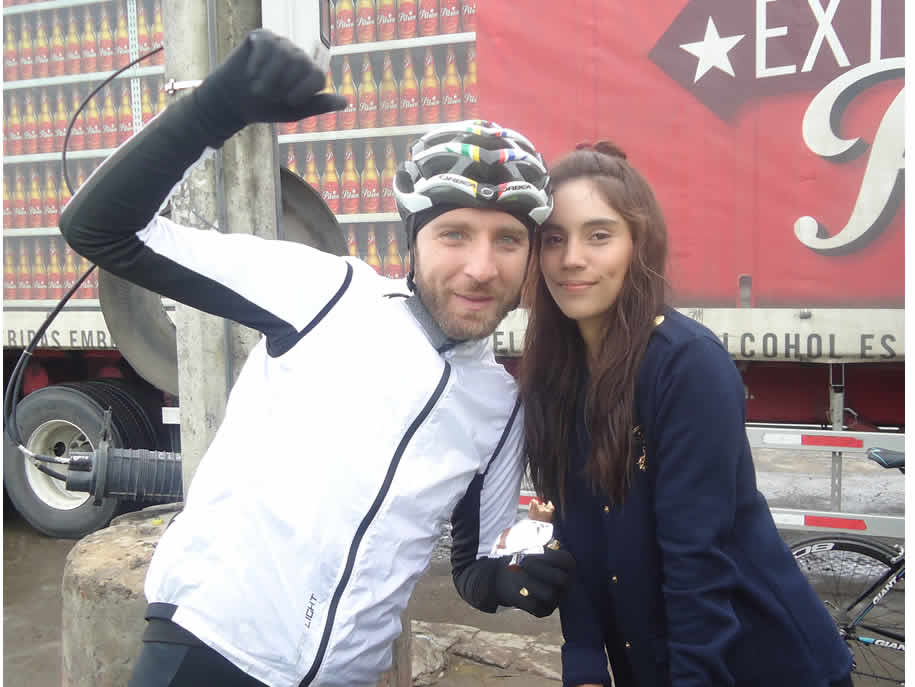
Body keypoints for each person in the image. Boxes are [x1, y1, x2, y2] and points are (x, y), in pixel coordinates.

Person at [59, 29, 573, 687]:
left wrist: (516, 575)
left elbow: (476, 568)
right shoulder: (327, 295)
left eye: (507, 240)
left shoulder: (500, 406)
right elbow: (100, 229)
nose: (480, 266)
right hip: (206, 652)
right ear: (412, 241)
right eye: (453, 234)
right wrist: (213, 111)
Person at [511, 141, 854, 686]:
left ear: (638, 244)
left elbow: (697, 563)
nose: (571, 258)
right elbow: (573, 535)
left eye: (599, 235)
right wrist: (584, 661)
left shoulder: (687, 365)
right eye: (554, 239)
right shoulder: (555, 375)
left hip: (758, 662)